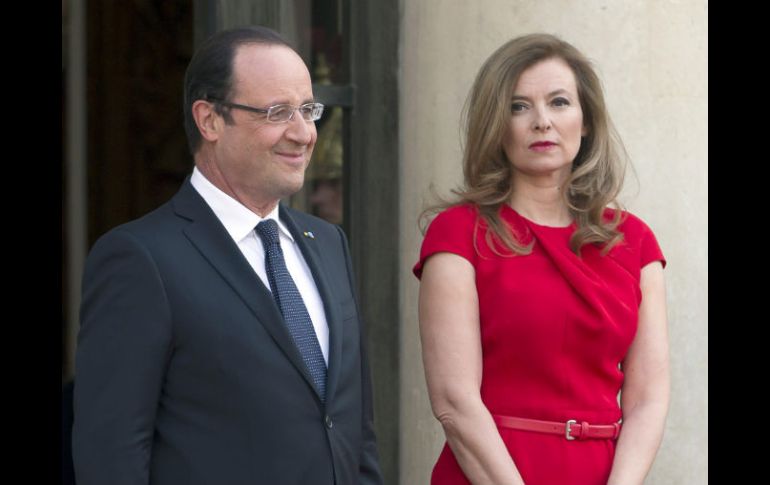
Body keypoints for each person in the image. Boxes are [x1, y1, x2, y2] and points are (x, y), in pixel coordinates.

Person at [72, 26, 383, 485]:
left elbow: (356, 433)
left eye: (308, 110)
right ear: (210, 120)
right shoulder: (141, 259)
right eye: (278, 112)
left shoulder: (328, 242)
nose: (304, 133)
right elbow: (110, 455)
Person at [414, 33, 669, 485]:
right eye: (519, 107)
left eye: (559, 102)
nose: (541, 122)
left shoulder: (635, 241)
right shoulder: (457, 233)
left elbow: (648, 399)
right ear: (497, 124)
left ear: (586, 121)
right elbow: (454, 401)